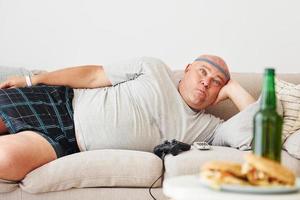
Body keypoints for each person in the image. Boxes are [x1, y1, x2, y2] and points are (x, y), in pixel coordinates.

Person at [0, 55, 255, 181]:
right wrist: (34, 79)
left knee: (6, 160)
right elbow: (93, 76)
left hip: (65, 142)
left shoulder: (207, 128)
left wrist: (234, 88)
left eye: (216, 82)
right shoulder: (153, 68)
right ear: (187, 70)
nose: (205, 81)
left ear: (218, 95)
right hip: (61, 102)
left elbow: (256, 133)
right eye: (202, 72)